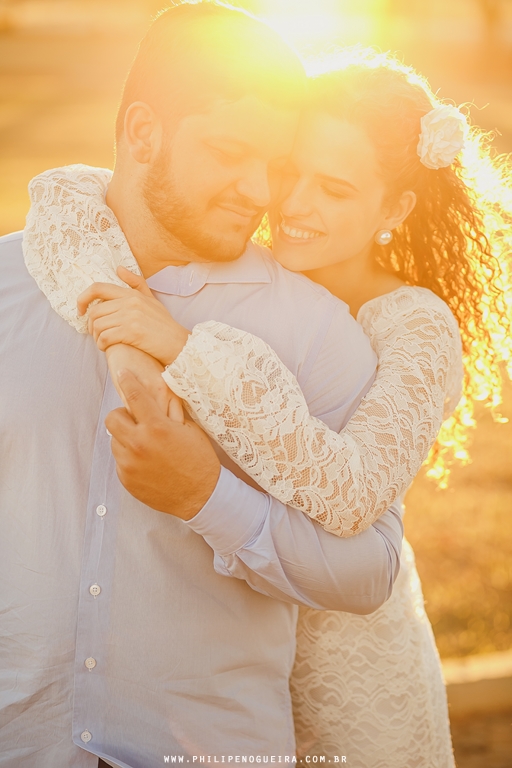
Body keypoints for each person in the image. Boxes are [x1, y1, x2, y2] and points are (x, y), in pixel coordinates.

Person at [24, 47, 512, 766]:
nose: (294, 205)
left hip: (349, 672)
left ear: (397, 207)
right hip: (235, 661)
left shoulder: (414, 325)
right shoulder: (254, 269)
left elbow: (348, 493)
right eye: (291, 173)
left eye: (336, 189)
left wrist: (182, 349)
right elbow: (75, 198)